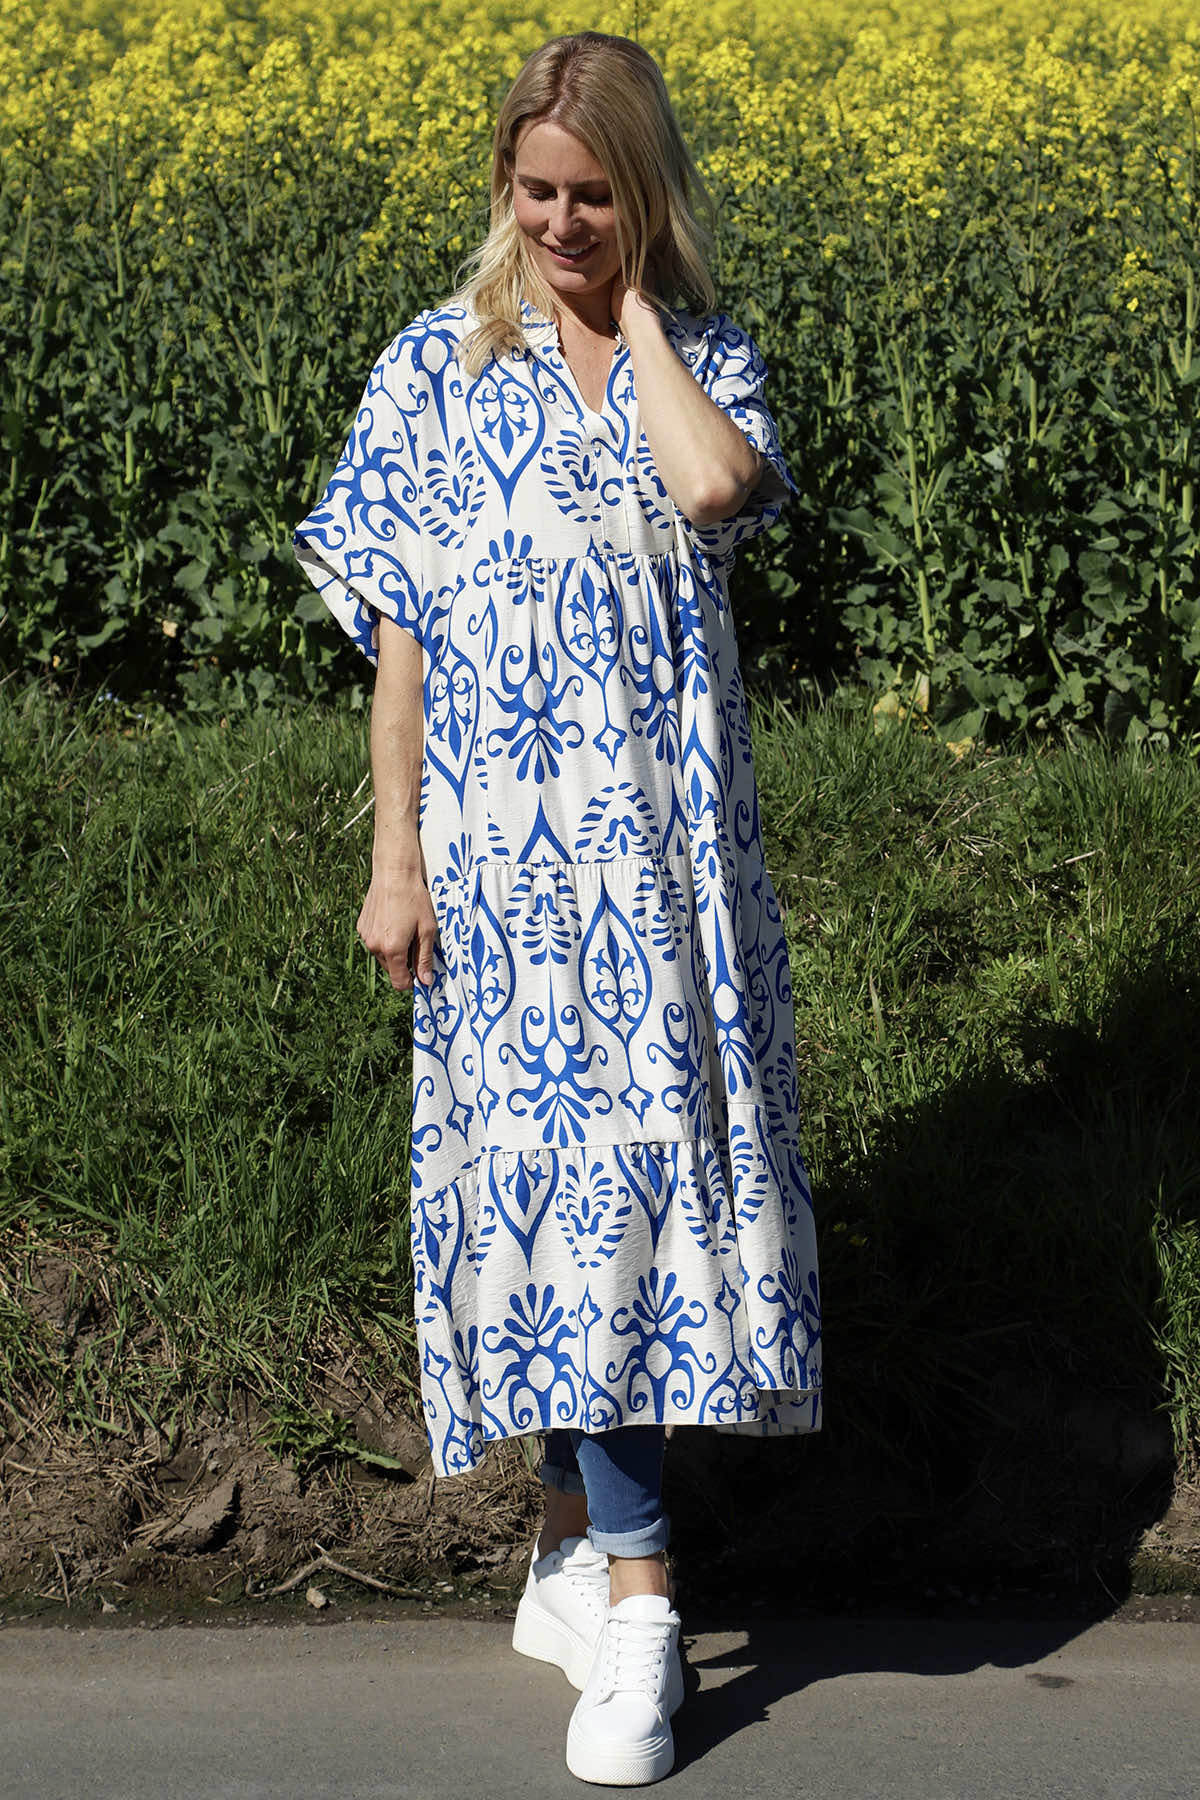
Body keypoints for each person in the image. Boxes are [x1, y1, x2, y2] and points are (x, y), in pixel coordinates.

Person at [294, 30, 821, 1786]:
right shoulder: (433, 372)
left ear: (646, 193)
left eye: (597, 195)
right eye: (536, 193)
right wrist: (394, 863)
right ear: (502, 187)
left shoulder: (712, 361)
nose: (562, 224)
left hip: (669, 876)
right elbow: (402, 645)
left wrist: (641, 321)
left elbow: (713, 489)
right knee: (566, 1207)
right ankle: (647, 1605)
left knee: (640, 1207)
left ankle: (568, 1556)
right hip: (507, 878)